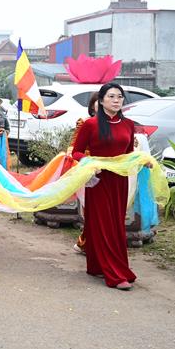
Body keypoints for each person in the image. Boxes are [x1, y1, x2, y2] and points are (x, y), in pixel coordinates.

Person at [70, 83, 140, 290]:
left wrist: (140, 160)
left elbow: (128, 154)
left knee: (115, 224)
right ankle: (116, 274)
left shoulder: (128, 125)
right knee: (103, 224)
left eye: (120, 97)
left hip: (119, 180)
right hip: (98, 181)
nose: (116, 100)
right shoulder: (90, 125)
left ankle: (96, 265)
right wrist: (91, 164)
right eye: (111, 97)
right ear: (101, 101)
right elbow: (76, 152)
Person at [71, 92, 100, 256]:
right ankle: (86, 242)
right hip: (89, 172)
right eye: (98, 101)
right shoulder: (85, 123)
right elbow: (75, 148)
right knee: (91, 209)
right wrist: (87, 163)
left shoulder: (117, 124)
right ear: (92, 105)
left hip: (112, 172)